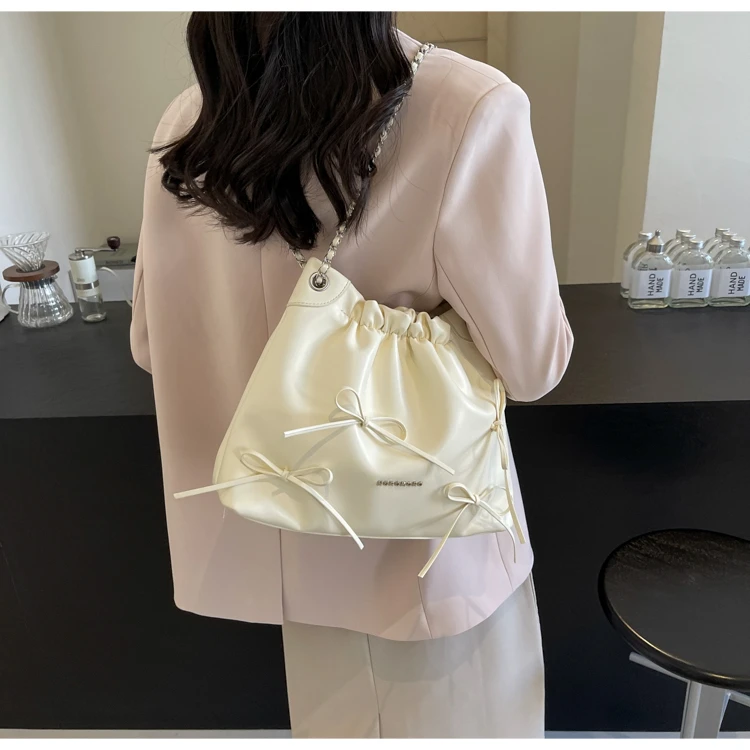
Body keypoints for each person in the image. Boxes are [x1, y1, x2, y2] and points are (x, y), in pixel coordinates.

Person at [131, 11, 573, 739]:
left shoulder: (191, 120)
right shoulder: (468, 105)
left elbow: (151, 343)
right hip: (420, 547)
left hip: (285, 542)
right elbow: (532, 366)